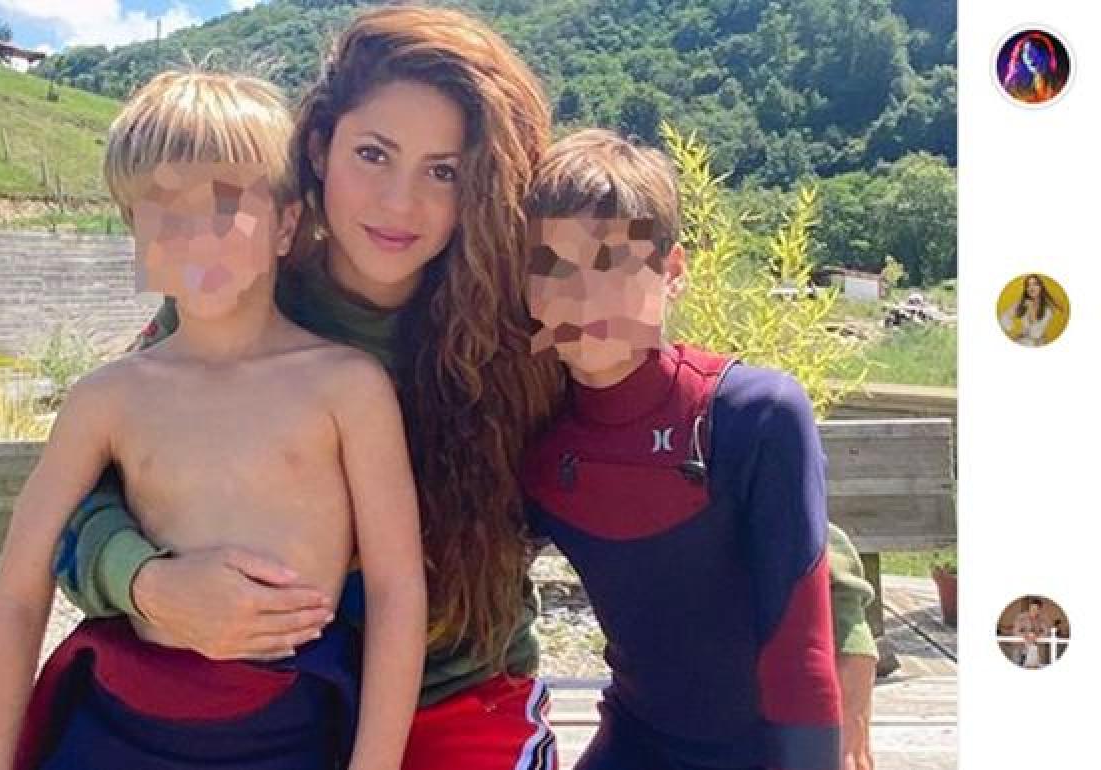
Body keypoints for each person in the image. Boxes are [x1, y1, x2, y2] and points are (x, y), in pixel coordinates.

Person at [50, 7, 880, 769]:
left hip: (461, 698)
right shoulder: (241, 293)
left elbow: (731, 462)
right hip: (260, 694)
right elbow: (80, 493)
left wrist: (844, 682)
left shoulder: (523, 321)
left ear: (479, 183)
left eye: (443, 171)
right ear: (319, 149)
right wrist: (146, 583)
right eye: (373, 154)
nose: (400, 201)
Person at [0, 71, 426, 770]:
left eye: (225, 206)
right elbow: (18, 594)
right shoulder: (107, 398)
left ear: (286, 225)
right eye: (161, 211)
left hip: (288, 729)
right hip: (119, 726)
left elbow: (397, 592)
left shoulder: (347, 387)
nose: (192, 236)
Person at [520, 129, 839, 770]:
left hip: (765, 754)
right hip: (635, 740)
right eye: (554, 265)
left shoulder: (751, 415)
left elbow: (802, 655)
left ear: (672, 272)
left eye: (613, 264)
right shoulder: (537, 440)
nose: (581, 296)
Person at [999, 274, 1057, 347]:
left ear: (1041, 287)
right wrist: (1010, 333)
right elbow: (1004, 317)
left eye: (1035, 284)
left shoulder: (1048, 309)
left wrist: (1031, 309)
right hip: (1022, 342)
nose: (1031, 287)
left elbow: (1035, 334)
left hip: (1037, 344)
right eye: (1028, 285)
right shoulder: (1023, 303)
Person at [1012, 599, 1050, 669]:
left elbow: (1046, 631)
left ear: (1039, 610)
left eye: (1036, 609)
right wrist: (1026, 635)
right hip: (1020, 648)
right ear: (1030, 607)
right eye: (1032, 608)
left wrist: (1037, 635)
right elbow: (1015, 631)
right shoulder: (1021, 617)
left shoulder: (1041, 619)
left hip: (1033, 649)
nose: (1033, 610)